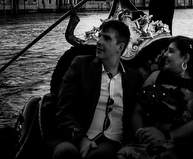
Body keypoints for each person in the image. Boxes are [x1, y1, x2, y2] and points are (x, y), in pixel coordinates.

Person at [50, 20, 144, 159]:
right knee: (65, 152)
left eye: (106, 38)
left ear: (120, 47)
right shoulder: (81, 65)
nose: (99, 41)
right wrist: (81, 139)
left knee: (98, 155)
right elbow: (64, 110)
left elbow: (138, 113)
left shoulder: (134, 79)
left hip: (113, 141)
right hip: (76, 135)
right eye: (99, 36)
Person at [119, 36, 193, 159]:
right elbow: (137, 110)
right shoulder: (155, 76)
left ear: (185, 58)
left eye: (170, 51)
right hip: (148, 140)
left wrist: (166, 135)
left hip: (180, 143)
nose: (164, 54)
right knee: (123, 155)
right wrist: (140, 133)